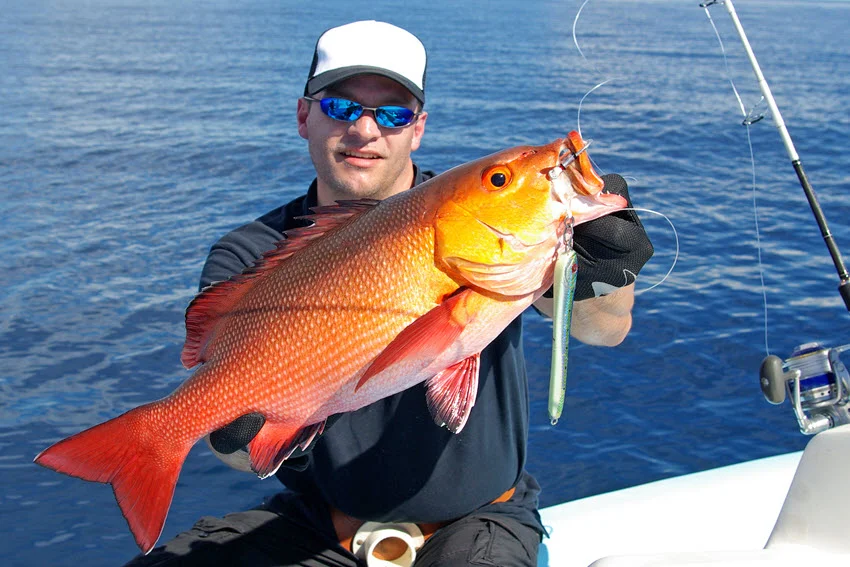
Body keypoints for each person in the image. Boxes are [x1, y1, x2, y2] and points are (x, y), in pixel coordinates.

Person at [126, 20, 653, 567]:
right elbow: (240, 458)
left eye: (394, 113)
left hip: (478, 523)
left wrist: (604, 265)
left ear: (417, 129)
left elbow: (604, 329)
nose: (366, 130)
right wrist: (221, 426)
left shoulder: (505, 250)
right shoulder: (252, 255)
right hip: (318, 526)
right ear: (304, 115)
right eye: (342, 108)